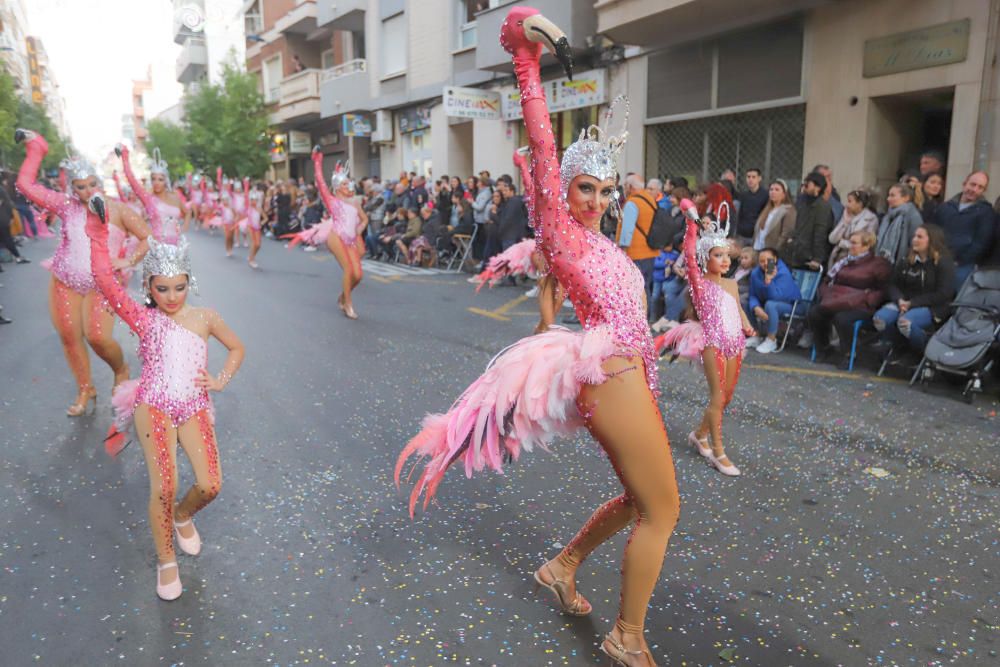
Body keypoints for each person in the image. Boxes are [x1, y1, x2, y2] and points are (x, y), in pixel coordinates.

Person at [397, 10, 678, 665]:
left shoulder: (602, 240)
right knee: (663, 510)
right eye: (585, 186)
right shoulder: (561, 231)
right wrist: (526, 57)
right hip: (609, 378)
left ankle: (563, 565)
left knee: (644, 498)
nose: (596, 199)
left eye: (605, 189)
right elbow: (544, 142)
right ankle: (627, 636)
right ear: (563, 188)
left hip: (630, 376)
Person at [84, 194, 244, 601]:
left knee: (210, 485)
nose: (172, 297)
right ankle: (166, 559)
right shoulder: (143, 317)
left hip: (193, 406)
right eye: (162, 289)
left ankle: (182, 516)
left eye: (179, 287)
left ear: (190, 282)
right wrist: (99, 232)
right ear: (149, 287)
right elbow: (103, 279)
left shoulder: (205, 317)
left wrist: (221, 379)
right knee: (164, 485)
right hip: (153, 404)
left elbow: (238, 348)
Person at [15, 129, 150, 415]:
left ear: (99, 183)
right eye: (81, 187)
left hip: (101, 285)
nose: (88, 191)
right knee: (69, 335)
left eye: (92, 185)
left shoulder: (117, 210)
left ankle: (121, 369)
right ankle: (85, 388)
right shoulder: (66, 206)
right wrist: (35, 151)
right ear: (72, 189)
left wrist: (129, 261)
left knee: (98, 337)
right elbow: (25, 185)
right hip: (65, 279)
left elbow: (147, 237)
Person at [656, 209, 753, 474]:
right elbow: (688, 252)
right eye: (717, 255)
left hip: (735, 342)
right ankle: (718, 453)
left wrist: (746, 323)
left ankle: (699, 435)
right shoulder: (699, 284)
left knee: (727, 397)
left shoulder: (731, 284)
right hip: (712, 343)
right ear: (704, 258)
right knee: (718, 395)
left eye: (726, 255)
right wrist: (692, 224)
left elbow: (737, 309)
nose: (724, 261)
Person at [807, 231, 891, 369]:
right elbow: (827, 281)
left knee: (843, 319)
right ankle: (824, 348)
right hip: (837, 301)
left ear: (867, 246)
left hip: (861, 305)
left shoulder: (879, 264)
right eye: (850, 242)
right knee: (815, 313)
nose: (850, 246)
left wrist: (868, 300)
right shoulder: (844, 262)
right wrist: (826, 295)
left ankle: (848, 353)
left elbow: (882, 289)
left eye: (854, 243)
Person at [873, 225, 955, 356]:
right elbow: (892, 284)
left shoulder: (943, 262)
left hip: (932, 307)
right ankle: (895, 346)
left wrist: (912, 303)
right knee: (880, 319)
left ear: (932, 240)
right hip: (904, 303)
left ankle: (920, 352)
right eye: (914, 236)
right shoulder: (906, 260)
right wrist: (899, 299)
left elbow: (944, 294)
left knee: (905, 323)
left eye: (920, 237)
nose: (914, 240)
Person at [313, 149, 368, 319]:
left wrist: (359, 229)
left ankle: (343, 296)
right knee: (348, 270)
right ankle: (348, 304)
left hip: (351, 239)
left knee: (358, 275)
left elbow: (364, 219)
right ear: (337, 187)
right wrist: (317, 161)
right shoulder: (332, 201)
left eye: (348, 183)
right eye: (344, 184)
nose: (348, 186)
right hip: (336, 236)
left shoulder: (355, 201)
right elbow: (321, 183)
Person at [118, 145, 190, 245]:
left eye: (160, 179)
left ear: (166, 181)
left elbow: (187, 212)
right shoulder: (148, 199)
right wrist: (125, 158)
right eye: (153, 179)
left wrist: (183, 228)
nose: (156, 182)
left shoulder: (175, 198)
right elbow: (132, 180)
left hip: (175, 247)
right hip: (156, 247)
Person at [933, 171, 994, 289]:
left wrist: (960, 261)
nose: (975, 189)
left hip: (963, 266)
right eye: (972, 184)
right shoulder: (945, 207)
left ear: (983, 191)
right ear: (965, 184)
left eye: (980, 187)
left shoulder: (986, 212)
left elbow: (982, 242)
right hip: (938, 261)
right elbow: (933, 232)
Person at [745, 248, 800, 354]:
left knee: (771, 305)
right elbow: (752, 295)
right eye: (761, 261)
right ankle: (756, 335)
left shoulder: (783, 273)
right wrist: (755, 307)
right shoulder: (755, 273)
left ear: (775, 259)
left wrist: (768, 281)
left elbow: (776, 297)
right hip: (766, 302)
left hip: (792, 305)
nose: (765, 264)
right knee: (745, 301)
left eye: (768, 260)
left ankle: (771, 339)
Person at [617, 173, 660, 300]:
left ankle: (640, 316)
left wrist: (623, 251)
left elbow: (627, 230)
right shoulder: (650, 200)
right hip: (650, 252)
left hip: (635, 253)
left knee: (635, 288)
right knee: (645, 287)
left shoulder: (632, 203)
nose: (624, 188)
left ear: (630, 187)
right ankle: (647, 316)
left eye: (625, 185)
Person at [782, 171, 831, 270]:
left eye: (808, 184)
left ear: (818, 187)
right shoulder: (801, 201)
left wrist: (817, 258)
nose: (804, 186)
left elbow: (820, 233)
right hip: (791, 251)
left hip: (807, 256)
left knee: (803, 283)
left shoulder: (822, 206)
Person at [875, 183, 923, 266]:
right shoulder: (888, 216)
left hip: (901, 263)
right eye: (888, 195)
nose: (888, 199)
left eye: (892, 196)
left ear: (906, 198)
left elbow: (915, 242)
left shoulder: (913, 216)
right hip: (883, 263)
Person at [829, 189, 879, 266]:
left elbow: (866, 243)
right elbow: (832, 239)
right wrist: (845, 223)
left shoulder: (871, 219)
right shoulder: (846, 215)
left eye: (850, 201)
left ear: (859, 204)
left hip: (857, 261)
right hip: (839, 258)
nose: (847, 204)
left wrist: (842, 243)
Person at [753, 179, 796, 253]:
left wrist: (775, 250)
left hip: (773, 251)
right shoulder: (767, 209)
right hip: (758, 248)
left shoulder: (788, 210)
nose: (773, 192)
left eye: (777, 190)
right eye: (771, 189)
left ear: (784, 194)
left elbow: (786, 234)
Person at [0, 172, 30, 264]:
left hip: (3, 218)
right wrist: (11, 217)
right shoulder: (1, 189)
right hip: (4, 218)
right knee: (7, 238)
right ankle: (17, 257)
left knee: (6, 239)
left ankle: (17, 257)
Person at [736, 168, 768, 244]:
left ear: (759, 178)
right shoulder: (744, 195)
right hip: (743, 234)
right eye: (748, 177)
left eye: (753, 177)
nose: (750, 179)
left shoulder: (765, 195)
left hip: (757, 235)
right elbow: (741, 214)